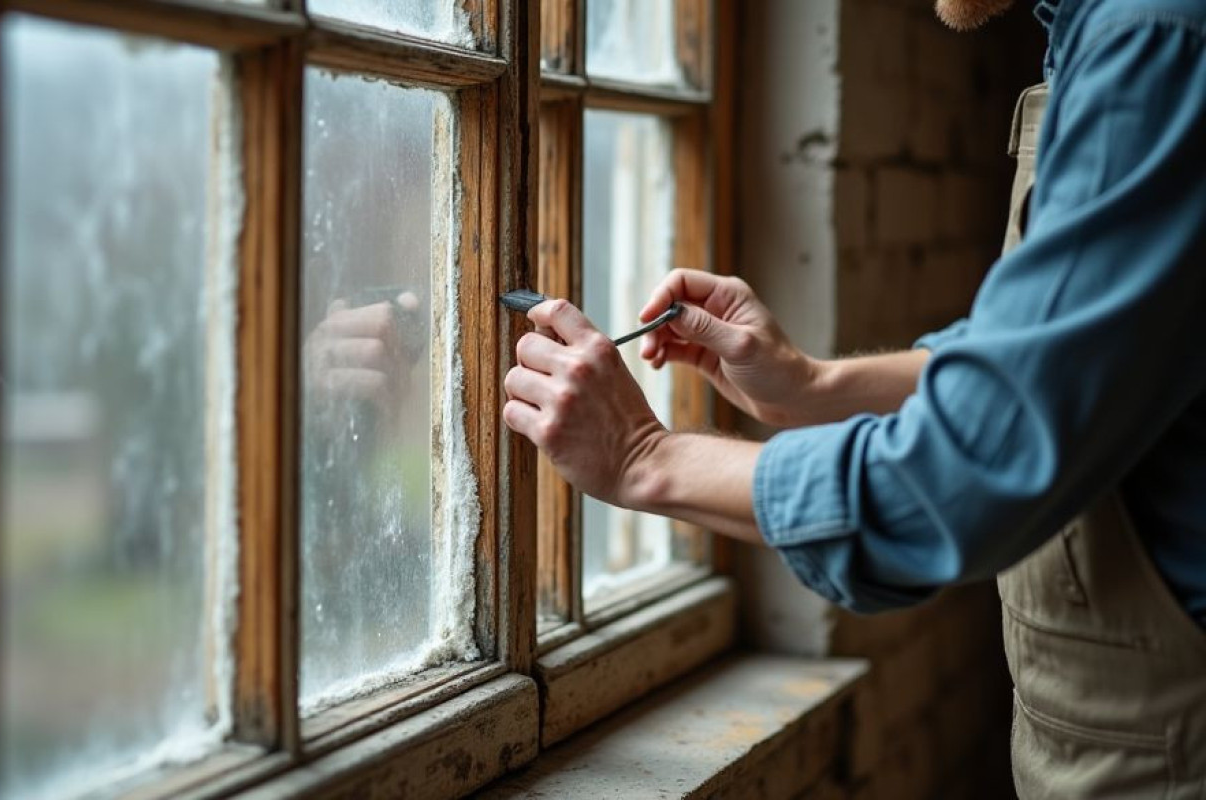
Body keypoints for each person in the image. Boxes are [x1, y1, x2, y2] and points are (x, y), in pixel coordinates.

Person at [502, 0, 1206, 795]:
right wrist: (811, 386)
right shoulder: (1106, 33)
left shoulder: (1157, 35)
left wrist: (644, 458)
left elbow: (961, 475)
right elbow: (1056, 367)